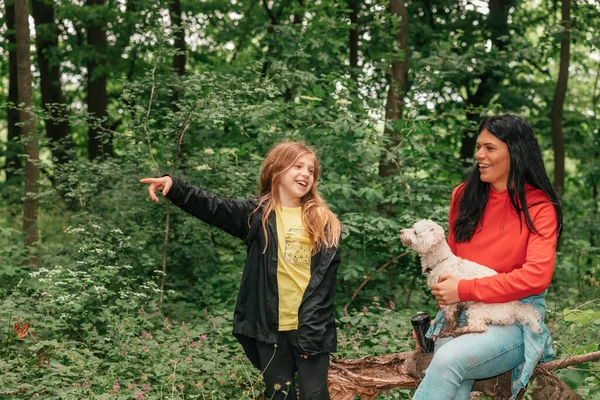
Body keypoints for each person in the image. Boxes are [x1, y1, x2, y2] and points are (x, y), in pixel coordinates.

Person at [140, 141, 342, 400]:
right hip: (269, 328)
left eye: (311, 170)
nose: (305, 174)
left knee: (315, 396)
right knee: (280, 395)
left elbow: (324, 286)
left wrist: (312, 331)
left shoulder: (323, 219)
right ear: (276, 170)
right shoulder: (257, 214)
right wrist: (175, 187)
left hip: (310, 326)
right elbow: (213, 207)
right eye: (298, 166)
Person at [412, 114, 563, 400]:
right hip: (468, 313)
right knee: (452, 383)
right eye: (479, 146)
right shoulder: (463, 197)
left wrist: (464, 289)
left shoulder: (540, 207)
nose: (479, 154)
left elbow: (536, 277)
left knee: (447, 360)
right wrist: (446, 315)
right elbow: (452, 264)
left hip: (516, 318)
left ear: (516, 152)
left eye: (490, 148)